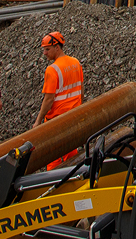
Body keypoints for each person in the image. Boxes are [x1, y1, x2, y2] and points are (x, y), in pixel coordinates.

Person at [36, 31, 84, 168]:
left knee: (52, 156)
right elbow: (81, 90)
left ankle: (52, 183)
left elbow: (49, 99)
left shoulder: (52, 70)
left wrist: (38, 121)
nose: (44, 53)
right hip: (73, 115)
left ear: (57, 47)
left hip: (57, 120)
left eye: (47, 49)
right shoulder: (75, 62)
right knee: (71, 152)